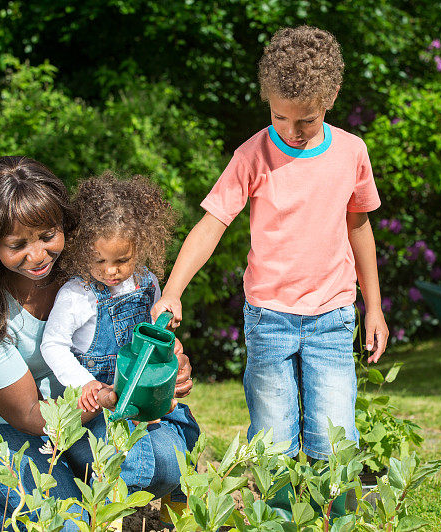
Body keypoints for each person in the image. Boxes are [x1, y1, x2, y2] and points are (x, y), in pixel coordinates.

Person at [151, 25, 388, 463]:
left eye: (306, 119)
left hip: (333, 317)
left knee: (335, 442)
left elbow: (359, 228)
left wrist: (372, 306)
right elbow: (212, 224)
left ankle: (336, 521)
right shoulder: (252, 156)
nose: (292, 130)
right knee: (273, 444)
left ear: (330, 97)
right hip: (269, 319)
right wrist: (172, 291)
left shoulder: (352, 152)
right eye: (279, 117)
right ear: (267, 101)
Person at [0, 156, 199, 532]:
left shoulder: (86, 269)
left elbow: (133, 334)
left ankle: (54, 482)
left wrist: (166, 364)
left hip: (82, 417)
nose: (38, 255)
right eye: (17, 244)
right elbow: (28, 414)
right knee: (66, 524)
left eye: (47, 236)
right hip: (1, 428)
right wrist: (107, 399)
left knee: (165, 466)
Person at [41, 172, 177, 414]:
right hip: (92, 402)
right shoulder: (77, 294)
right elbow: (53, 344)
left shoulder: (146, 282)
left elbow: (154, 333)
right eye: (99, 260)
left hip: (139, 391)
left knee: (168, 445)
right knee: (116, 449)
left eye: (122, 260)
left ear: (141, 247)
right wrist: (84, 383)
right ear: (83, 249)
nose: (110, 270)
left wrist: (169, 346)